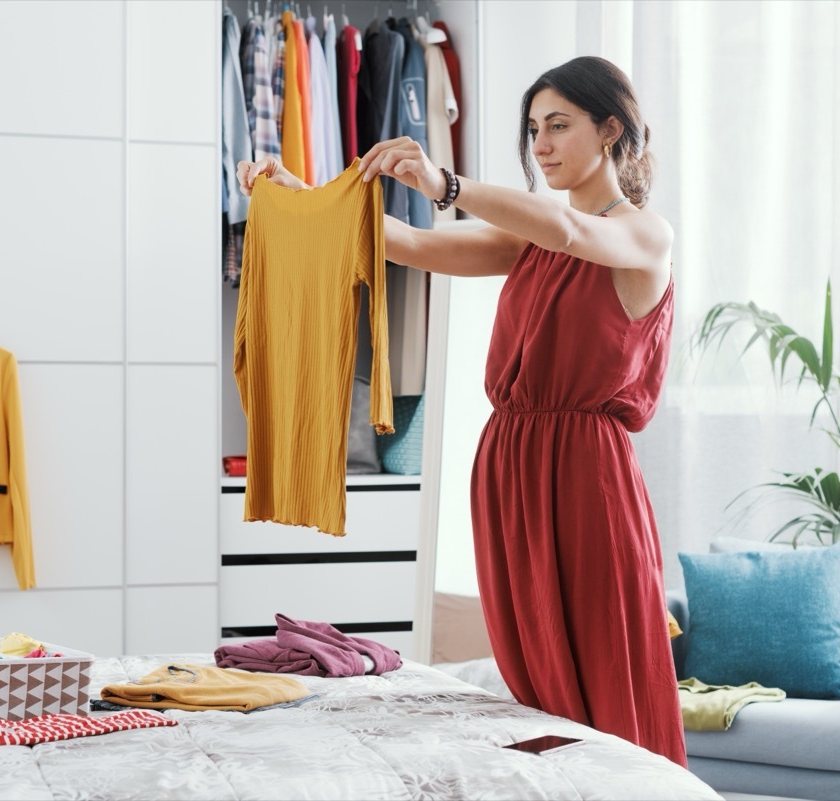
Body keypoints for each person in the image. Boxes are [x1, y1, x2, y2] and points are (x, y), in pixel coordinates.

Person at [237, 55, 686, 767]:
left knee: (602, 661)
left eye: (558, 126)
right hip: (509, 467)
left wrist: (445, 183)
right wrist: (300, 194)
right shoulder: (530, 236)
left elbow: (571, 234)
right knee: (534, 667)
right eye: (533, 128)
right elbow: (409, 244)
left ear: (610, 130)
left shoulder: (642, 236)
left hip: (585, 476)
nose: (540, 144)